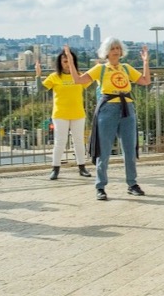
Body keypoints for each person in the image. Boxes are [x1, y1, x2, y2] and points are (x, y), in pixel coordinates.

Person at [65, 39, 150, 201]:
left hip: (127, 108)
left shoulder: (126, 68)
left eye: (118, 48)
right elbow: (79, 80)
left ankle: (132, 184)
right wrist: (70, 60)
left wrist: (145, 62)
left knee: (130, 149)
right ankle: (100, 186)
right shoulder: (100, 69)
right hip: (107, 109)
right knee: (103, 150)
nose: (116, 51)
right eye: (112, 48)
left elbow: (145, 81)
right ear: (106, 52)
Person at [36, 49, 94, 180]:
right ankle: (55, 169)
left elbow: (91, 86)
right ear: (60, 62)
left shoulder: (79, 75)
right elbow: (41, 89)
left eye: (70, 61)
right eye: (65, 61)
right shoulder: (54, 77)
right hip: (60, 114)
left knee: (79, 141)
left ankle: (82, 167)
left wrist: (95, 72)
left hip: (78, 113)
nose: (67, 64)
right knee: (60, 142)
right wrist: (38, 75)